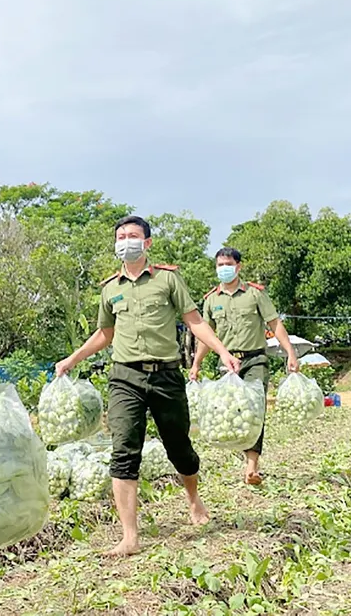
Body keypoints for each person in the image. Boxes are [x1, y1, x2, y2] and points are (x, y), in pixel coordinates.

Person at [55, 216, 240, 557]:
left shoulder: (168, 280)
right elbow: (104, 335)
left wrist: (223, 352)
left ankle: (193, 499)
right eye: (121, 236)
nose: (126, 241)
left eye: (133, 236)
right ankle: (129, 536)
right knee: (124, 450)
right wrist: (72, 359)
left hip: (167, 376)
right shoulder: (110, 288)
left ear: (148, 243)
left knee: (179, 448)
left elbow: (194, 321)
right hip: (125, 377)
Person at [191, 247, 298, 486]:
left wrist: (290, 352)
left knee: (254, 407)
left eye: (227, 264)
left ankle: (252, 466)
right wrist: (196, 364)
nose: (223, 269)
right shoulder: (211, 300)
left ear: (238, 267)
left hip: (255, 359)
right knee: (231, 410)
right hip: (228, 364)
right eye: (219, 265)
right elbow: (206, 336)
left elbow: (275, 323)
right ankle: (240, 450)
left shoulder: (254, 294)